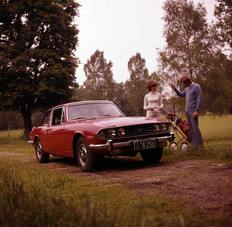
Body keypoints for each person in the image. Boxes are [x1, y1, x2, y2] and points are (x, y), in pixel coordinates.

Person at [170, 75, 204, 149]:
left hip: (193, 111)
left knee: (195, 129)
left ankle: (200, 147)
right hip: (187, 111)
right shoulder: (187, 88)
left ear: (187, 82)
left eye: (183, 83)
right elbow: (181, 95)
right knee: (191, 130)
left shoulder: (196, 87)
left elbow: (200, 99)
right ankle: (194, 146)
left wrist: (196, 110)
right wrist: (175, 89)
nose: (183, 85)